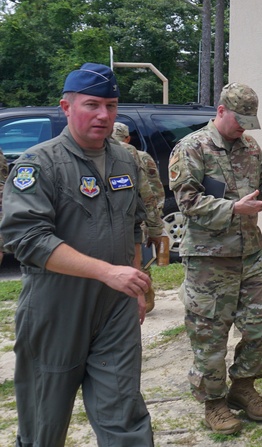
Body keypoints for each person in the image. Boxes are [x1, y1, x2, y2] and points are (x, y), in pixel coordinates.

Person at [0, 63, 154, 446]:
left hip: (116, 306)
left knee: (125, 414)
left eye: (111, 105)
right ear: (66, 108)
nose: (103, 115)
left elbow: (135, 224)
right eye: (92, 105)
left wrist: (132, 282)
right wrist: (106, 271)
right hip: (56, 307)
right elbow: (26, 238)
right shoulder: (40, 163)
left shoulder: (126, 160)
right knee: (44, 421)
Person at [168, 82, 262, 435]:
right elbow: (187, 202)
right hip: (209, 259)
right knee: (210, 334)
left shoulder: (249, 145)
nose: (244, 127)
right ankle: (213, 402)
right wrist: (234, 207)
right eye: (238, 119)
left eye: (249, 120)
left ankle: (243, 387)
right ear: (220, 111)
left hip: (251, 252)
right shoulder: (191, 148)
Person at [112, 122, 169, 312]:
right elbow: (153, 191)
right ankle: (143, 298)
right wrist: (155, 222)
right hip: (137, 218)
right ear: (127, 138)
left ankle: (137, 298)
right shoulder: (138, 155)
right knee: (139, 261)